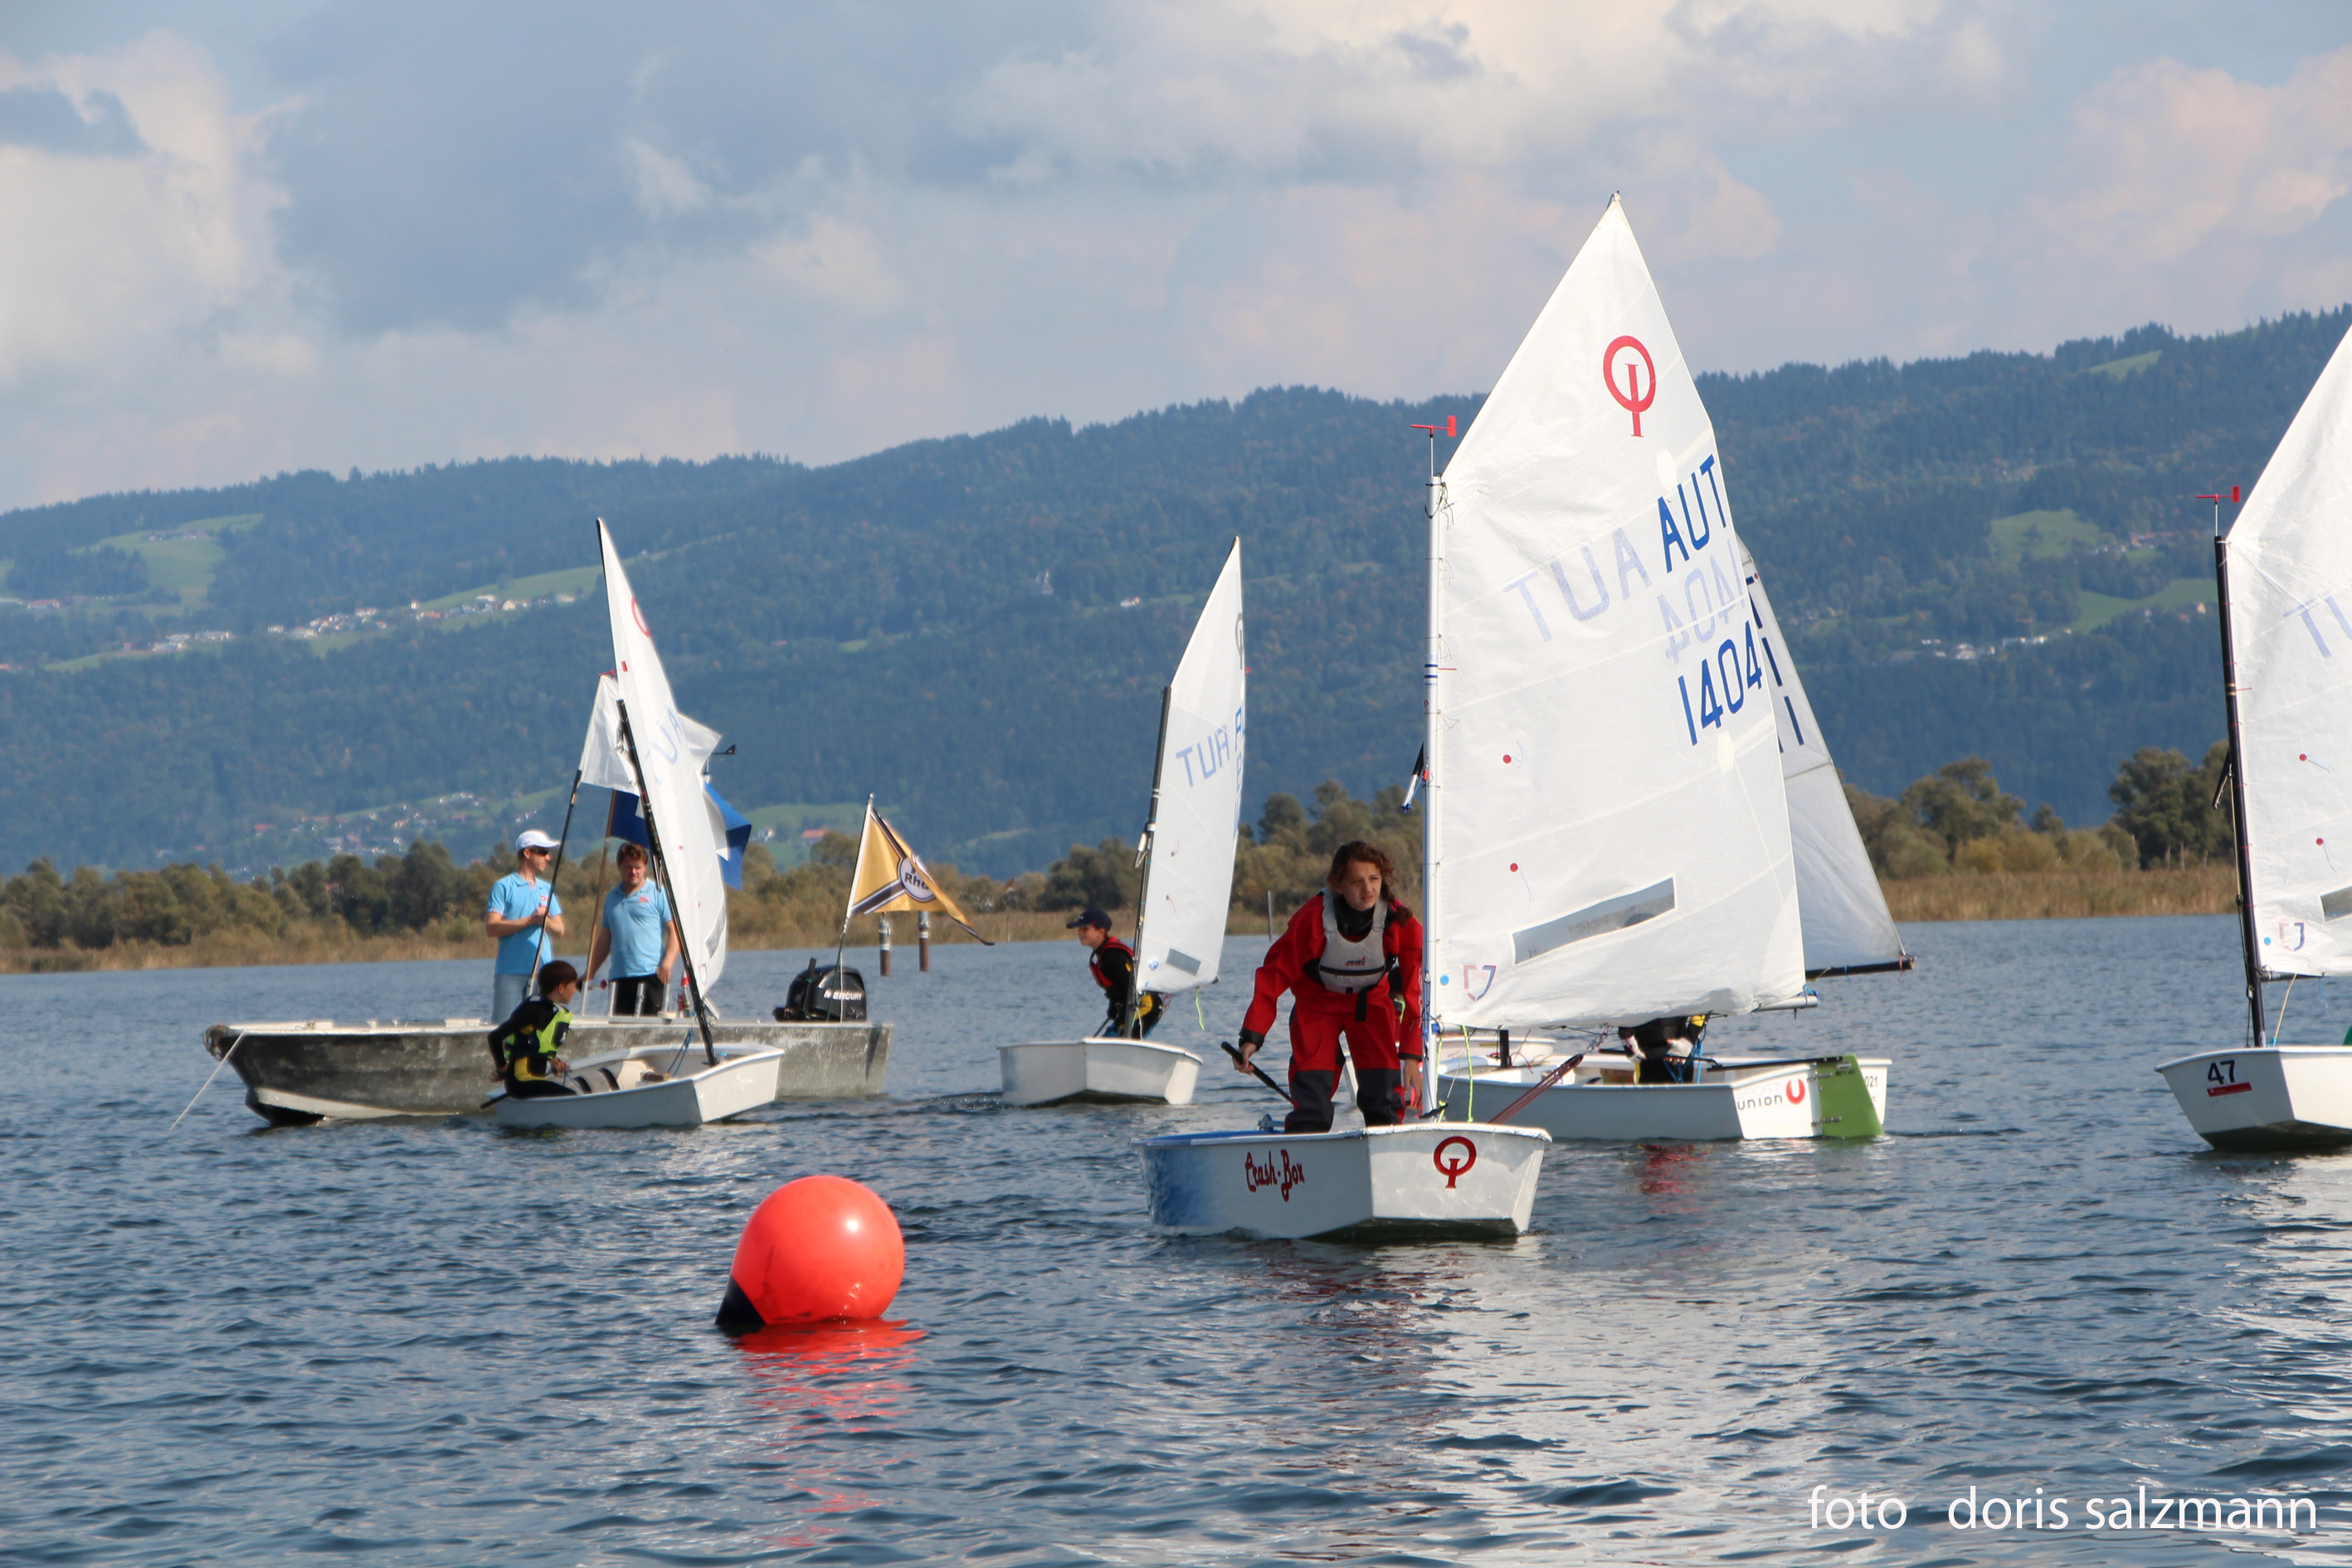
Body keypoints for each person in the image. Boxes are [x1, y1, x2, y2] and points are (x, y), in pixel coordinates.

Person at [1234, 841, 1424, 1132]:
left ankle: (1385, 1141)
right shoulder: (1312, 918)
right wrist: (1252, 1037)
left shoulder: (1399, 922)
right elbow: (1273, 976)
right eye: (1356, 881)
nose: (1367, 889)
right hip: (1317, 1004)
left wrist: (1411, 1056)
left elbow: (1416, 990)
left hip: (1370, 1004)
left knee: (1383, 1092)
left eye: (1374, 879)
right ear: (1337, 884)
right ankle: (1308, 1141)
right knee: (1313, 1092)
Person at [587, 841, 679, 1016]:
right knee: (620, 1030)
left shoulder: (658, 892)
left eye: (638, 867)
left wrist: (667, 964)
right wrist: (590, 972)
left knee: (650, 1029)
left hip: (651, 975)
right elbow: (605, 938)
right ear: (619, 867)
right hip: (619, 978)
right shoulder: (611, 898)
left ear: (645, 867)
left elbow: (675, 932)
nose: (633, 872)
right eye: (628, 867)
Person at [485, 829, 566, 1023]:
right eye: (543, 852)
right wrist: (529, 920)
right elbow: (492, 927)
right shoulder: (503, 887)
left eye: (548, 853)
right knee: (505, 1027)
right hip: (510, 973)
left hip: (542, 974)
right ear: (527, 853)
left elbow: (560, 930)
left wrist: (544, 921)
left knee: (541, 1029)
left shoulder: (547, 889)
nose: (548, 857)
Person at [488, 960, 581, 1098]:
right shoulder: (533, 1010)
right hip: (521, 1080)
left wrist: (554, 1061)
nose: (575, 990)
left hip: (533, 1079)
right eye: (573, 985)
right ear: (561, 988)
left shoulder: (550, 1011)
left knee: (571, 1093)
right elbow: (495, 1037)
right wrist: (502, 1069)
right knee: (571, 1096)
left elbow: (536, 1046)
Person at [1067, 908, 1164, 1037]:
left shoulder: (1111, 957)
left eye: (1085, 929)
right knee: (1109, 1039)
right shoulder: (1104, 954)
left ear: (1101, 932)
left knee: (1115, 1040)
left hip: (1146, 1006)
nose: (1080, 932)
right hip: (1134, 1005)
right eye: (1079, 929)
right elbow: (1121, 987)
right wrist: (1114, 1004)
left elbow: (1132, 989)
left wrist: (1121, 1018)